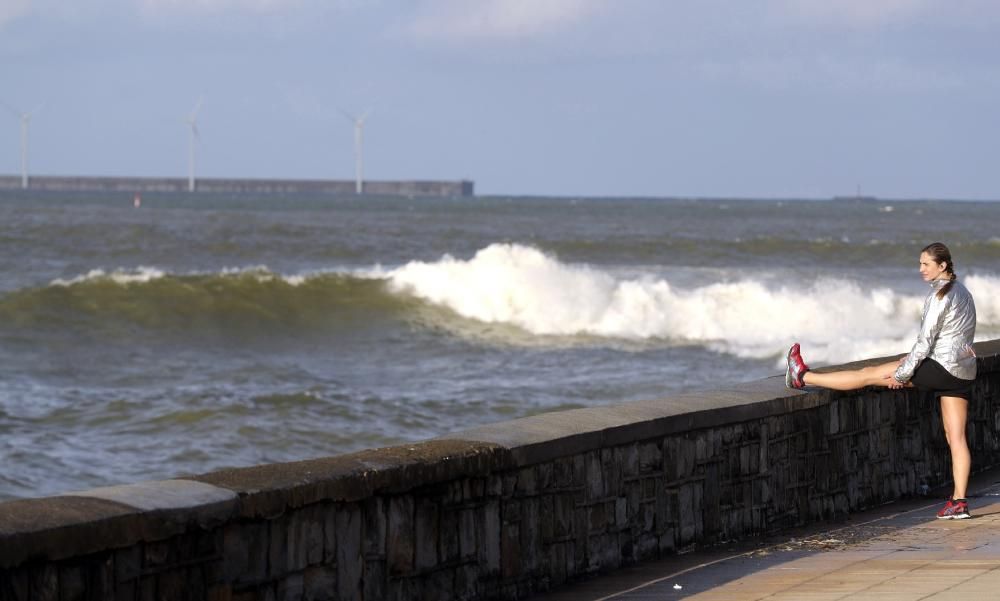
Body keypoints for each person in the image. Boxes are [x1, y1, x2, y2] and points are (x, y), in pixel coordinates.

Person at [785, 242, 977, 519]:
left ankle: (802, 375)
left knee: (869, 374)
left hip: (941, 367)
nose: (920, 269)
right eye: (920, 263)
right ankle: (959, 502)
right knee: (956, 438)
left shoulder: (939, 296)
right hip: (962, 373)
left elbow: (924, 344)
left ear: (942, 265)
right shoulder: (963, 291)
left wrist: (902, 374)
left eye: (926, 264)